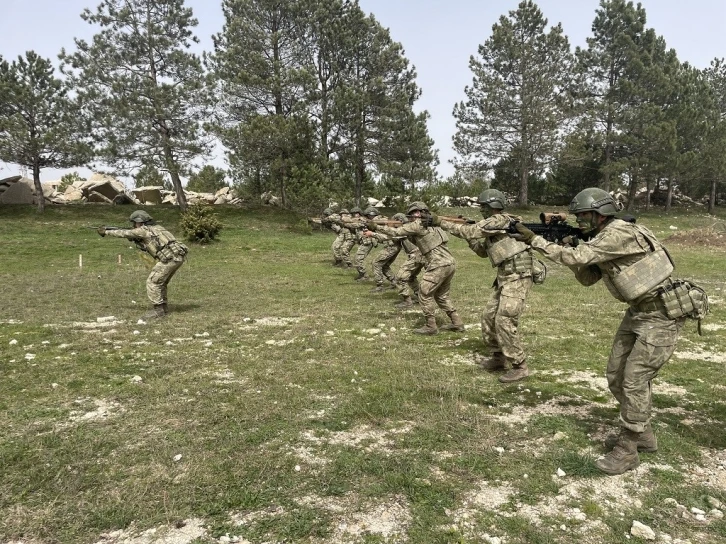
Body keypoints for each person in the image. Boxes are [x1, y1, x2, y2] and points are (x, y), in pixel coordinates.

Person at [513, 188, 687, 475]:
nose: (580, 222)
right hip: (638, 312)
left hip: (662, 313)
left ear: (601, 213)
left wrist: (538, 241)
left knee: (633, 380)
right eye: (578, 217)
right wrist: (571, 247)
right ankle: (643, 435)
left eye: (583, 216)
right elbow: (588, 277)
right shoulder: (600, 239)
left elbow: (579, 256)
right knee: (616, 375)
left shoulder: (618, 233)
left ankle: (628, 448)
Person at [428, 189, 540, 383]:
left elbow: (470, 230)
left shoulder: (502, 220)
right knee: (488, 317)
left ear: (493, 207)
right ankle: (498, 357)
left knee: (504, 319)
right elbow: (481, 251)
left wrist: (441, 222)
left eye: (484, 207)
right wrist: (471, 240)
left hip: (519, 276)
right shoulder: (493, 230)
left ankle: (519, 365)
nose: (481, 210)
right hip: (504, 278)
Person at [365, 201, 463, 335]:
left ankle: (431, 326)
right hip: (450, 263)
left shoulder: (418, 224)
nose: (412, 217)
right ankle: (457, 322)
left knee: (424, 294)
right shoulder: (434, 224)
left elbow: (396, 232)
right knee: (441, 296)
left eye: (413, 214)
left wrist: (375, 226)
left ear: (417, 213)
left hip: (438, 264)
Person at [98, 210, 188, 319]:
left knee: (153, 282)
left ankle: (158, 310)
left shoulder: (143, 230)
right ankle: (163, 308)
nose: (134, 225)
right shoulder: (158, 227)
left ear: (139, 222)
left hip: (168, 259)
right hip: (178, 257)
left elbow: (123, 233)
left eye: (135, 223)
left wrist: (106, 232)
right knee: (161, 282)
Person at [392, 212, 425, 309]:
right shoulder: (409, 227)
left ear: (400, 221)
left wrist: (374, 233)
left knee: (400, 278)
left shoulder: (405, 229)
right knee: (410, 278)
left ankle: (407, 301)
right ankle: (420, 297)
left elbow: (388, 237)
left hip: (416, 256)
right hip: (420, 255)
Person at [368, 213, 404, 293]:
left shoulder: (399, 229)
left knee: (376, 263)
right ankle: (394, 282)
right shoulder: (396, 228)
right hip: (392, 247)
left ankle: (379, 285)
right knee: (384, 265)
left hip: (391, 247)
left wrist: (373, 234)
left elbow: (388, 237)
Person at [351, 207, 379, 281]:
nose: (355, 215)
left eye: (357, 213)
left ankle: (364, 276)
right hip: (364, 242)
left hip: (368, 242)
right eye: (354, 214)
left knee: (357, 259)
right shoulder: (362, 220)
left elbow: (355, 225)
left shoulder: (364, 220)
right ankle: (362, 274)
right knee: (357, 259)